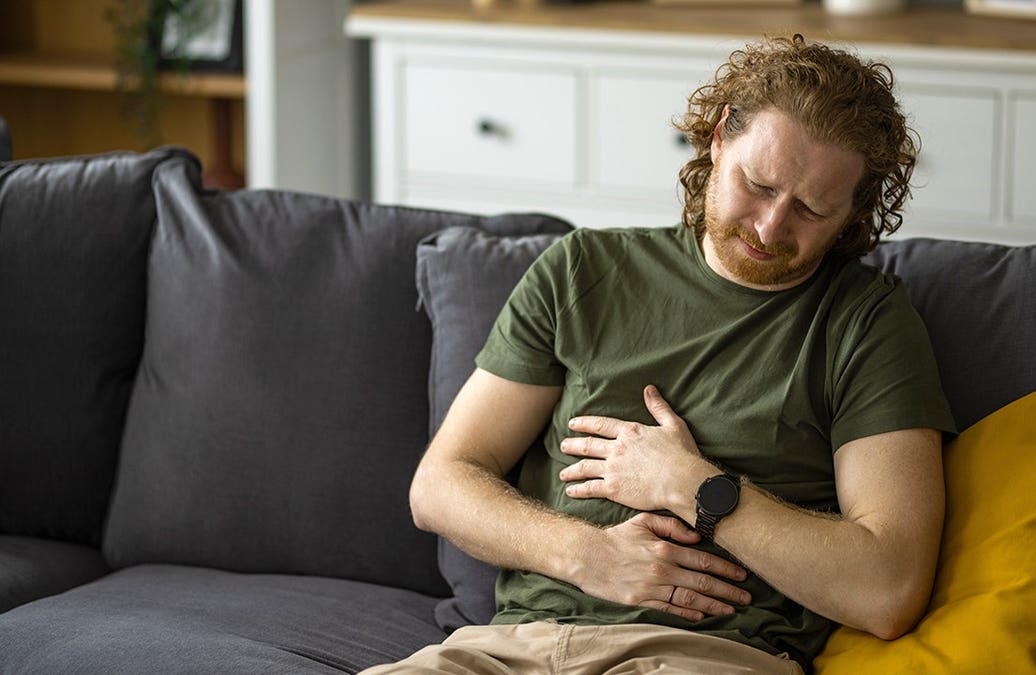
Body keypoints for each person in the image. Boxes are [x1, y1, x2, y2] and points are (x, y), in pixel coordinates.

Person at [362, 34, 956, 675]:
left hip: (704, 657)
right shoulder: (581, 270)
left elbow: (887, 590)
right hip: (513, 649)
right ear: (720, 136)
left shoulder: (865, 322)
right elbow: (441, 486)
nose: (769, 227)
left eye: (811, 209)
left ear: (853, 213)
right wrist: (587, 555)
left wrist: (694, 487)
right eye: (756, 185)